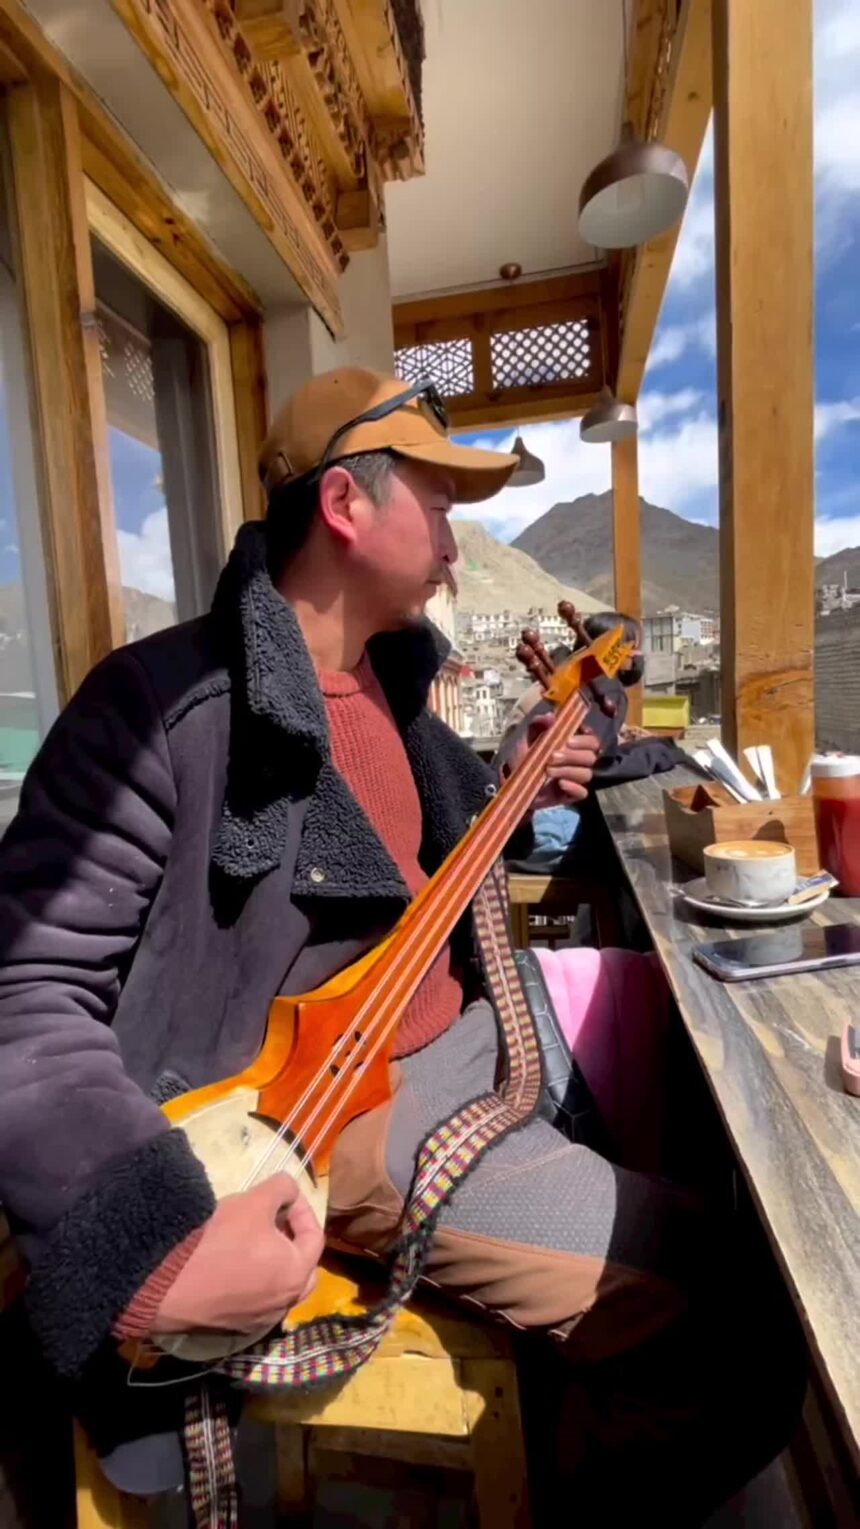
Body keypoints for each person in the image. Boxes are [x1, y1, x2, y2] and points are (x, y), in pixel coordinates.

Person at [0, 369, 802, 1522]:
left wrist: (520, 782)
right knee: (736, 1317)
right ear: (343, 505)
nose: (454, 548)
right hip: (338, 1114)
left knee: (701, 1123)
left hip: (466, 1042)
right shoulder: (158, 708)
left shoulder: (391, 694)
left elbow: (413, 878)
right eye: (437, 506)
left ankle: (555, 1408)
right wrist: (147, 1235)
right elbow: (25, 989)